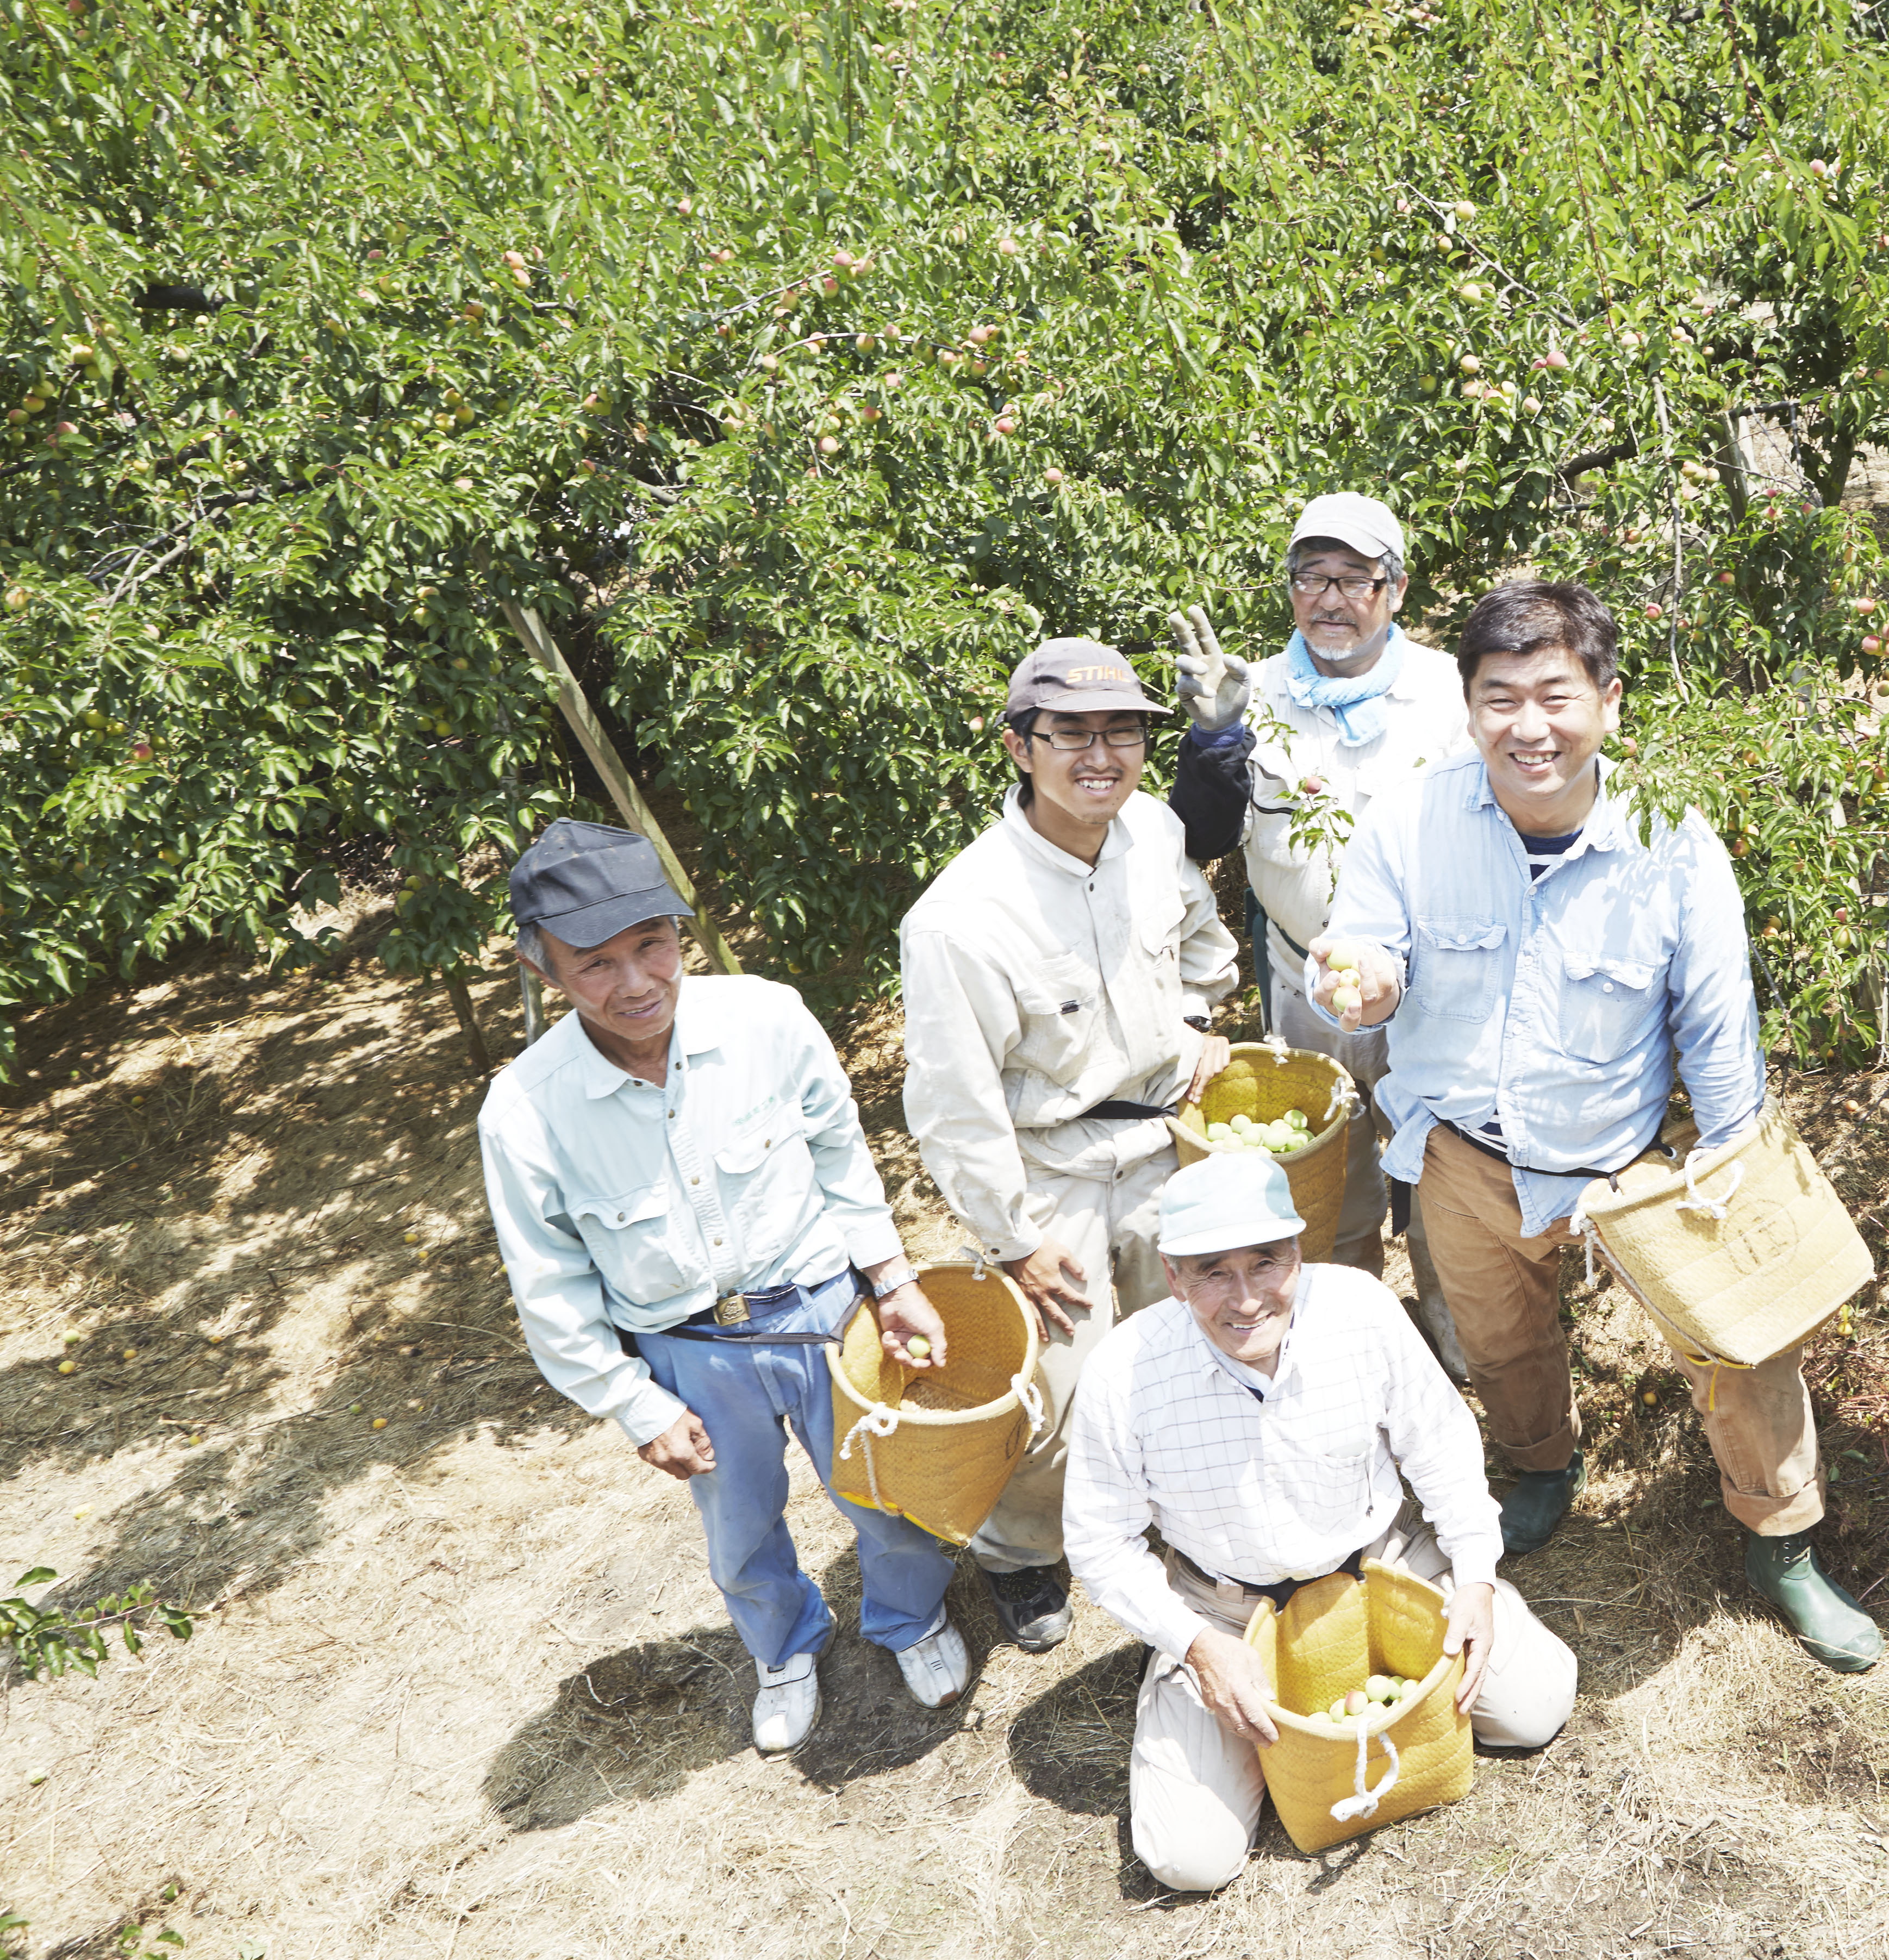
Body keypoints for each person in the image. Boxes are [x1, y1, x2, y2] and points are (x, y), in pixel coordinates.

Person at [1314, 580, 1885, 1673]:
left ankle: (1784, 1541)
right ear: (1467, 708)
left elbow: (1719, 1033)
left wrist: (1731, 1164)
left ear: (1610, 704)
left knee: (1739, 1342)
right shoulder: (1409, 822)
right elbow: (1359, 948)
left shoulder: (1676, 846)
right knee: (1502, 1340)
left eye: (1555, 695)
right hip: (1465, 1151)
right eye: (1500, 698)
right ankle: (1541, 1469)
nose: (1529, 726)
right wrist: (1366, 983)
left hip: (1626, 1167)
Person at [478, 820, 967, 1756]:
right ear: (543, 969)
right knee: (739, 1524)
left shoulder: (767, 1018)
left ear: (679, 931)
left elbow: (839, 1151)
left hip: (824, 1308)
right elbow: (549, 1283)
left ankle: (910, 1617)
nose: (634, 984)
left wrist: (891, 1278)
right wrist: (634, 1404)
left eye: (652, 947)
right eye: (595, 965)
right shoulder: (525, 1111)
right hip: (690, 1352)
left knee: (880, 1490)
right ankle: (783, 1647)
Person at [1065, 1154, 1580, 1891]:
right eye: (1213, 1271)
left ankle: (1306, 1738)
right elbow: (1099, 1543)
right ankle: (1218, 1713)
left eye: (1266, 1262)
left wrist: (1474, 1579)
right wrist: (1197, 1645)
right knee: (1190, 1860)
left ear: (1299, 1256)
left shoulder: (1361, 1309)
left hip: (1386, 1564)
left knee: (1536, 1709)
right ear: (1174, 1278)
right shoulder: (1123, 1373)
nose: (1245, 1299)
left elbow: (1442, 1446)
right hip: (1225, 1610)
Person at [899, 638, 1239, 1658]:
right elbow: (956, 1107)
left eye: (1124, 731)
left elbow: (1200, 943)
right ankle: (1020, 1552)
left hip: (1163, 1139)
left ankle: (1175, 1506)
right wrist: (1013, 1237)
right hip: (1051, 1172)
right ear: (1020, 746)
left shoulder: (1152, 829)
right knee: (1055, 1385)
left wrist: (1191, 1030)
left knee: (1193, 1340)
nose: (1102, 755)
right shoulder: (962, 917)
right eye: (1072, 734)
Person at [1164, 493, 1474, 1365]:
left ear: (1397, 589)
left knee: (1444, 1172)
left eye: (1354, 578)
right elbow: (1200, 838)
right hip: (1303, 981)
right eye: (1311, 577)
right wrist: (1213, 741)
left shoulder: (1452, 691)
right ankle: (1353, 1346)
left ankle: (1458, 1340)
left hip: (1430, 987)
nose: (1330, 597)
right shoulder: (1248, 690)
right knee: (1328, 1178)